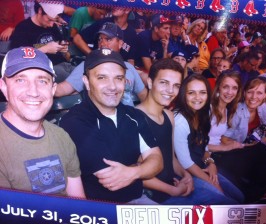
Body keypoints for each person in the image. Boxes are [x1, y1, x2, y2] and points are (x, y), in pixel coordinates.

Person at [60, 48, 162, 204]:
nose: (113, 86)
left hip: (139, 199)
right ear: (86, 82)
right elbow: (109, 178)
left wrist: (133, 171)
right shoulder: (74, 121)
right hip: (101, 209)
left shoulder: (134, 115)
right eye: (102, 78)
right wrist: (141, 166)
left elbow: (157, 161)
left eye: (119, 78)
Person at [0, 47, 85, 198]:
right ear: (4, 87)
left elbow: (80, 207)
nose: (33, 91)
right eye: (20, 80)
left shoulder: (62, 137)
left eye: (42, 81)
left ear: (53, 89)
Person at [173, 74, 244, 204]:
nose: (197, 98)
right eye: (191, 93)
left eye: (202, 93)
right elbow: (185, 162)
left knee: (239, 197)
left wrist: (211, 163)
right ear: (184, 94)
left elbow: (204, 146)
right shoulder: (180, 120)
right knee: (228, 202)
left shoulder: (202, 114)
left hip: (202, 166)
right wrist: (211, 182)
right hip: (185, 173)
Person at [136, 58, 198, 204]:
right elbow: (133, 170)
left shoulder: (169, 116)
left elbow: (170, 158)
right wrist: (172, 190)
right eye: (164, 83)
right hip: (153, 196)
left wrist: (185, 174)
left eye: (176, 85)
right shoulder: (134, 118)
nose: (170, 91)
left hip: (174, 184)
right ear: (150, 83)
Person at [218, 77, 266, 202]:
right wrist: (248, 146)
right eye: (250, 91)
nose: (254, 97)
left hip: (252, 145)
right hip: (233, 149)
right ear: (244, 92)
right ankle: (252, 199)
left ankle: (265, 194)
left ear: (265, 95)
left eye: (259, 93)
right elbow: (223, 139)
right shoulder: (237, 111)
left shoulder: (261, 106)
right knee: (263, 165)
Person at [55, 22, 147, 106]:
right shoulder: (88, 65)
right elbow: (61, 90)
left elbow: (144, 96)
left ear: (120, 43)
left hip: (128, 119)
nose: (102, 43)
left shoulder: (128, 67)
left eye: (108, 39)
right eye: (100, 39)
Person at [10, 1, 74, 83]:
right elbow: (17, 56)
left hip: (63, 65)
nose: (51, 24)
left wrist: (62, 49)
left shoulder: (53, 26)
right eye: (49, 20)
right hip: (44, 70)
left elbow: (62, 45)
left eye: (54, 21)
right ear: (40, 11)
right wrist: (45, 49)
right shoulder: (23, 28)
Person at [208, 70, 244, 153]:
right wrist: (225, 147)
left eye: (234, 88)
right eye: (225, 87)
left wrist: (234, 144)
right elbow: (197, 145)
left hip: (217, 154)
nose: (230, 92)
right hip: (204, 158)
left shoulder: (227, 110)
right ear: (218, 87)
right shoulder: (208, 109)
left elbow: (216, 138)